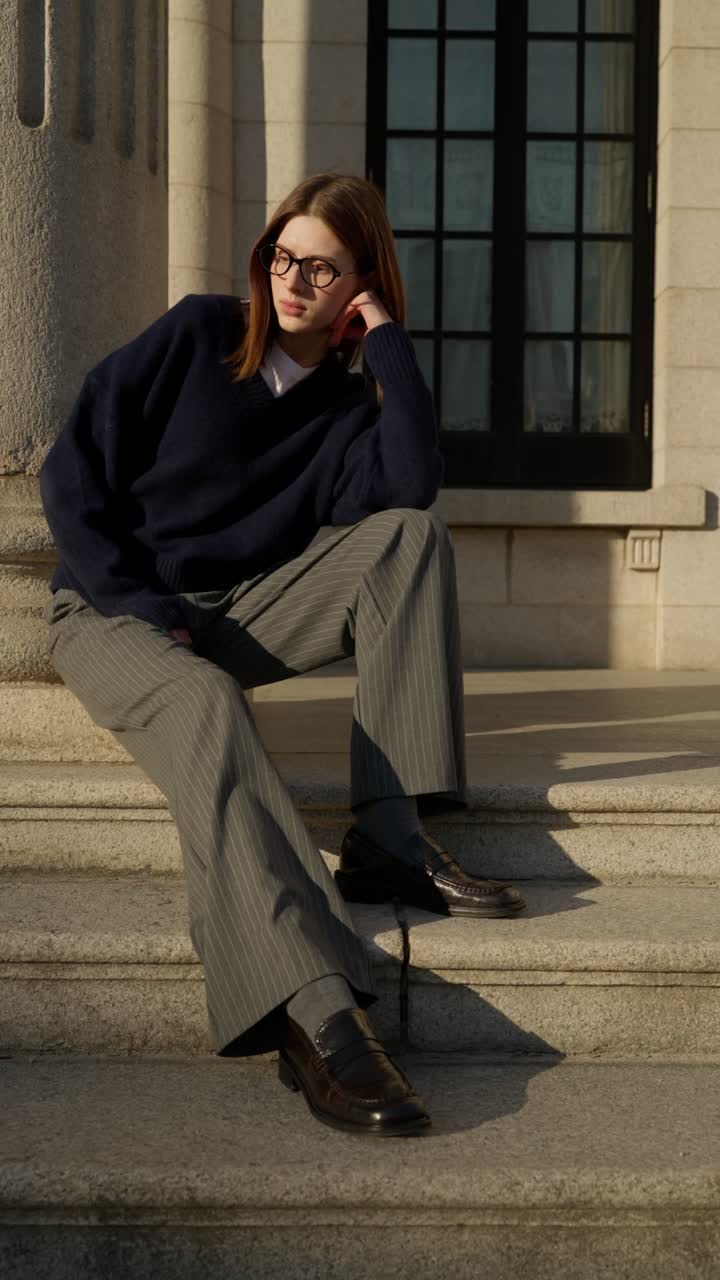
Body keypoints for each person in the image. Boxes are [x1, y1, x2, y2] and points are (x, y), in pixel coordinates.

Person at [38, 172, 526, 1139]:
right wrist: (139, 600)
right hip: (111, 612)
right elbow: (72, 466)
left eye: (324, 268)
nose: (294, 279)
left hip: (238, 612)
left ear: (359, 285)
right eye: (283, 256)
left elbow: (411, 486)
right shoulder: (196, 335)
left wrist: (387, 343)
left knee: (410, 541)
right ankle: (316, 1012)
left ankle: (388, 836)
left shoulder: (347, 411)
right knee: (211, 707)